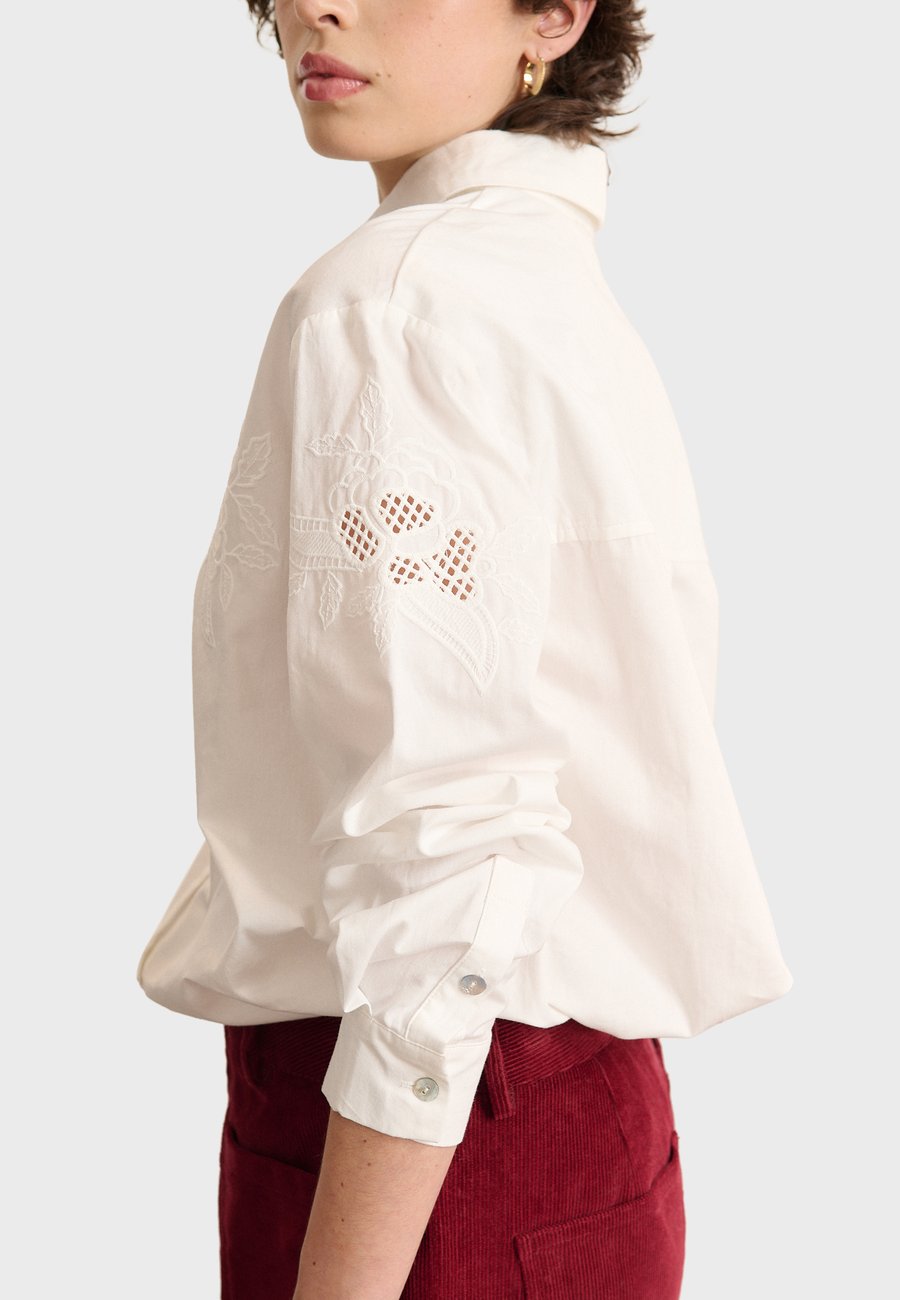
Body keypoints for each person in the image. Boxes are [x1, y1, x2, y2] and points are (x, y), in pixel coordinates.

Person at [135, 1, 794, 1296]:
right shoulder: (543, 282)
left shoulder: (388, 306)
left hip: (416, 1150)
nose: (319, 5)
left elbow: (450, 853)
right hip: (594, 1129)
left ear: (555, 12)